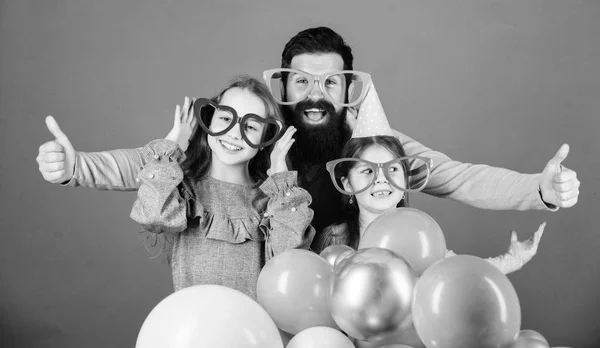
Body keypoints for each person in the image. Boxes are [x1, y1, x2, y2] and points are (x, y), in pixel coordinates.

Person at [36, 27, 579, 249]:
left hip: (353, 302)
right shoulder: (253, 135)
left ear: (347, 87)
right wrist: (74, 166)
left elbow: (459, 177)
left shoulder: (374, 146)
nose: (315, 92)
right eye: (302, 79)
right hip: (265, 300)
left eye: (329, 80)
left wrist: (541, 189)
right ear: (285, 82)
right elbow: (160, 160)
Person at [312, 85, 544, 274]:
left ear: (405, 183)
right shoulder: (335, 239)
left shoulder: (422, 237)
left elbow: (461, 273)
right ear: (348, 184)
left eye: (392, 169)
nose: (381, 179)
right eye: (367, 171)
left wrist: (511, 260)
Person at [129, 75, 314, 299]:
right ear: (209, 120)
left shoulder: (270, 201)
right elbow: (154, 215)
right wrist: (173, 146)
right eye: (226, 118)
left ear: (265, 139)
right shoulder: (186, 190)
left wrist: (280, 181)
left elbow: (292, 265)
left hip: (254, 330)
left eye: (250, 126)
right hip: (194, 326)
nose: (235, 133)